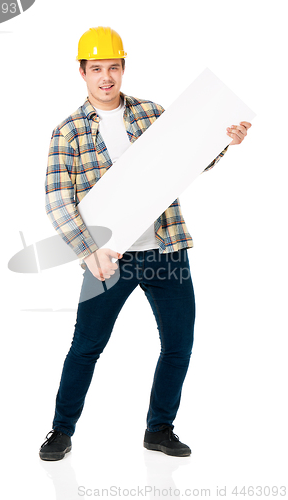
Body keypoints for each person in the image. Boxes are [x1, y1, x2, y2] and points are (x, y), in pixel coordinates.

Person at [40, 26, 251, 461]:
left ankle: (160, 429)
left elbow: (190, 159)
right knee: (86, 347)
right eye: (96, 69)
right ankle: (61, 432)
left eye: (112, 67)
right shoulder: (69, 131)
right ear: (82, 72)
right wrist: (87, 249)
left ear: (123, 68)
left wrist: (223, 142)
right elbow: (58, 200)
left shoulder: (152, 112)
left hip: (166, 250)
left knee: (178, 344)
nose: (105, 77)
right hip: (108, 261)